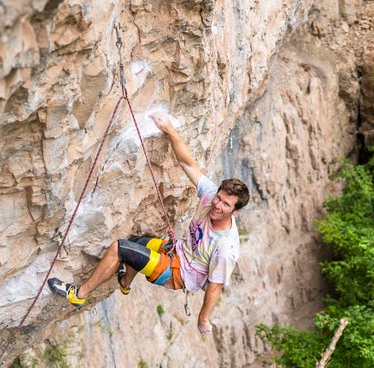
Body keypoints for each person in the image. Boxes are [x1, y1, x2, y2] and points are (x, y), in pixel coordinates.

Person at [48, 113, 250, 334]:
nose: (217, 205)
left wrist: (203, 319)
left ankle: (78, 294)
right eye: (218, 198)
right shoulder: (210, 197)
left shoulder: (225, 248)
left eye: (225, 205)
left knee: (120, 248)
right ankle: (125, 282)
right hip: (178, 253)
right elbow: (187, 163)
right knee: (136, 242)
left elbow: (215, 286)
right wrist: (170, 130)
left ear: (235, 212)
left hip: (177, 273)